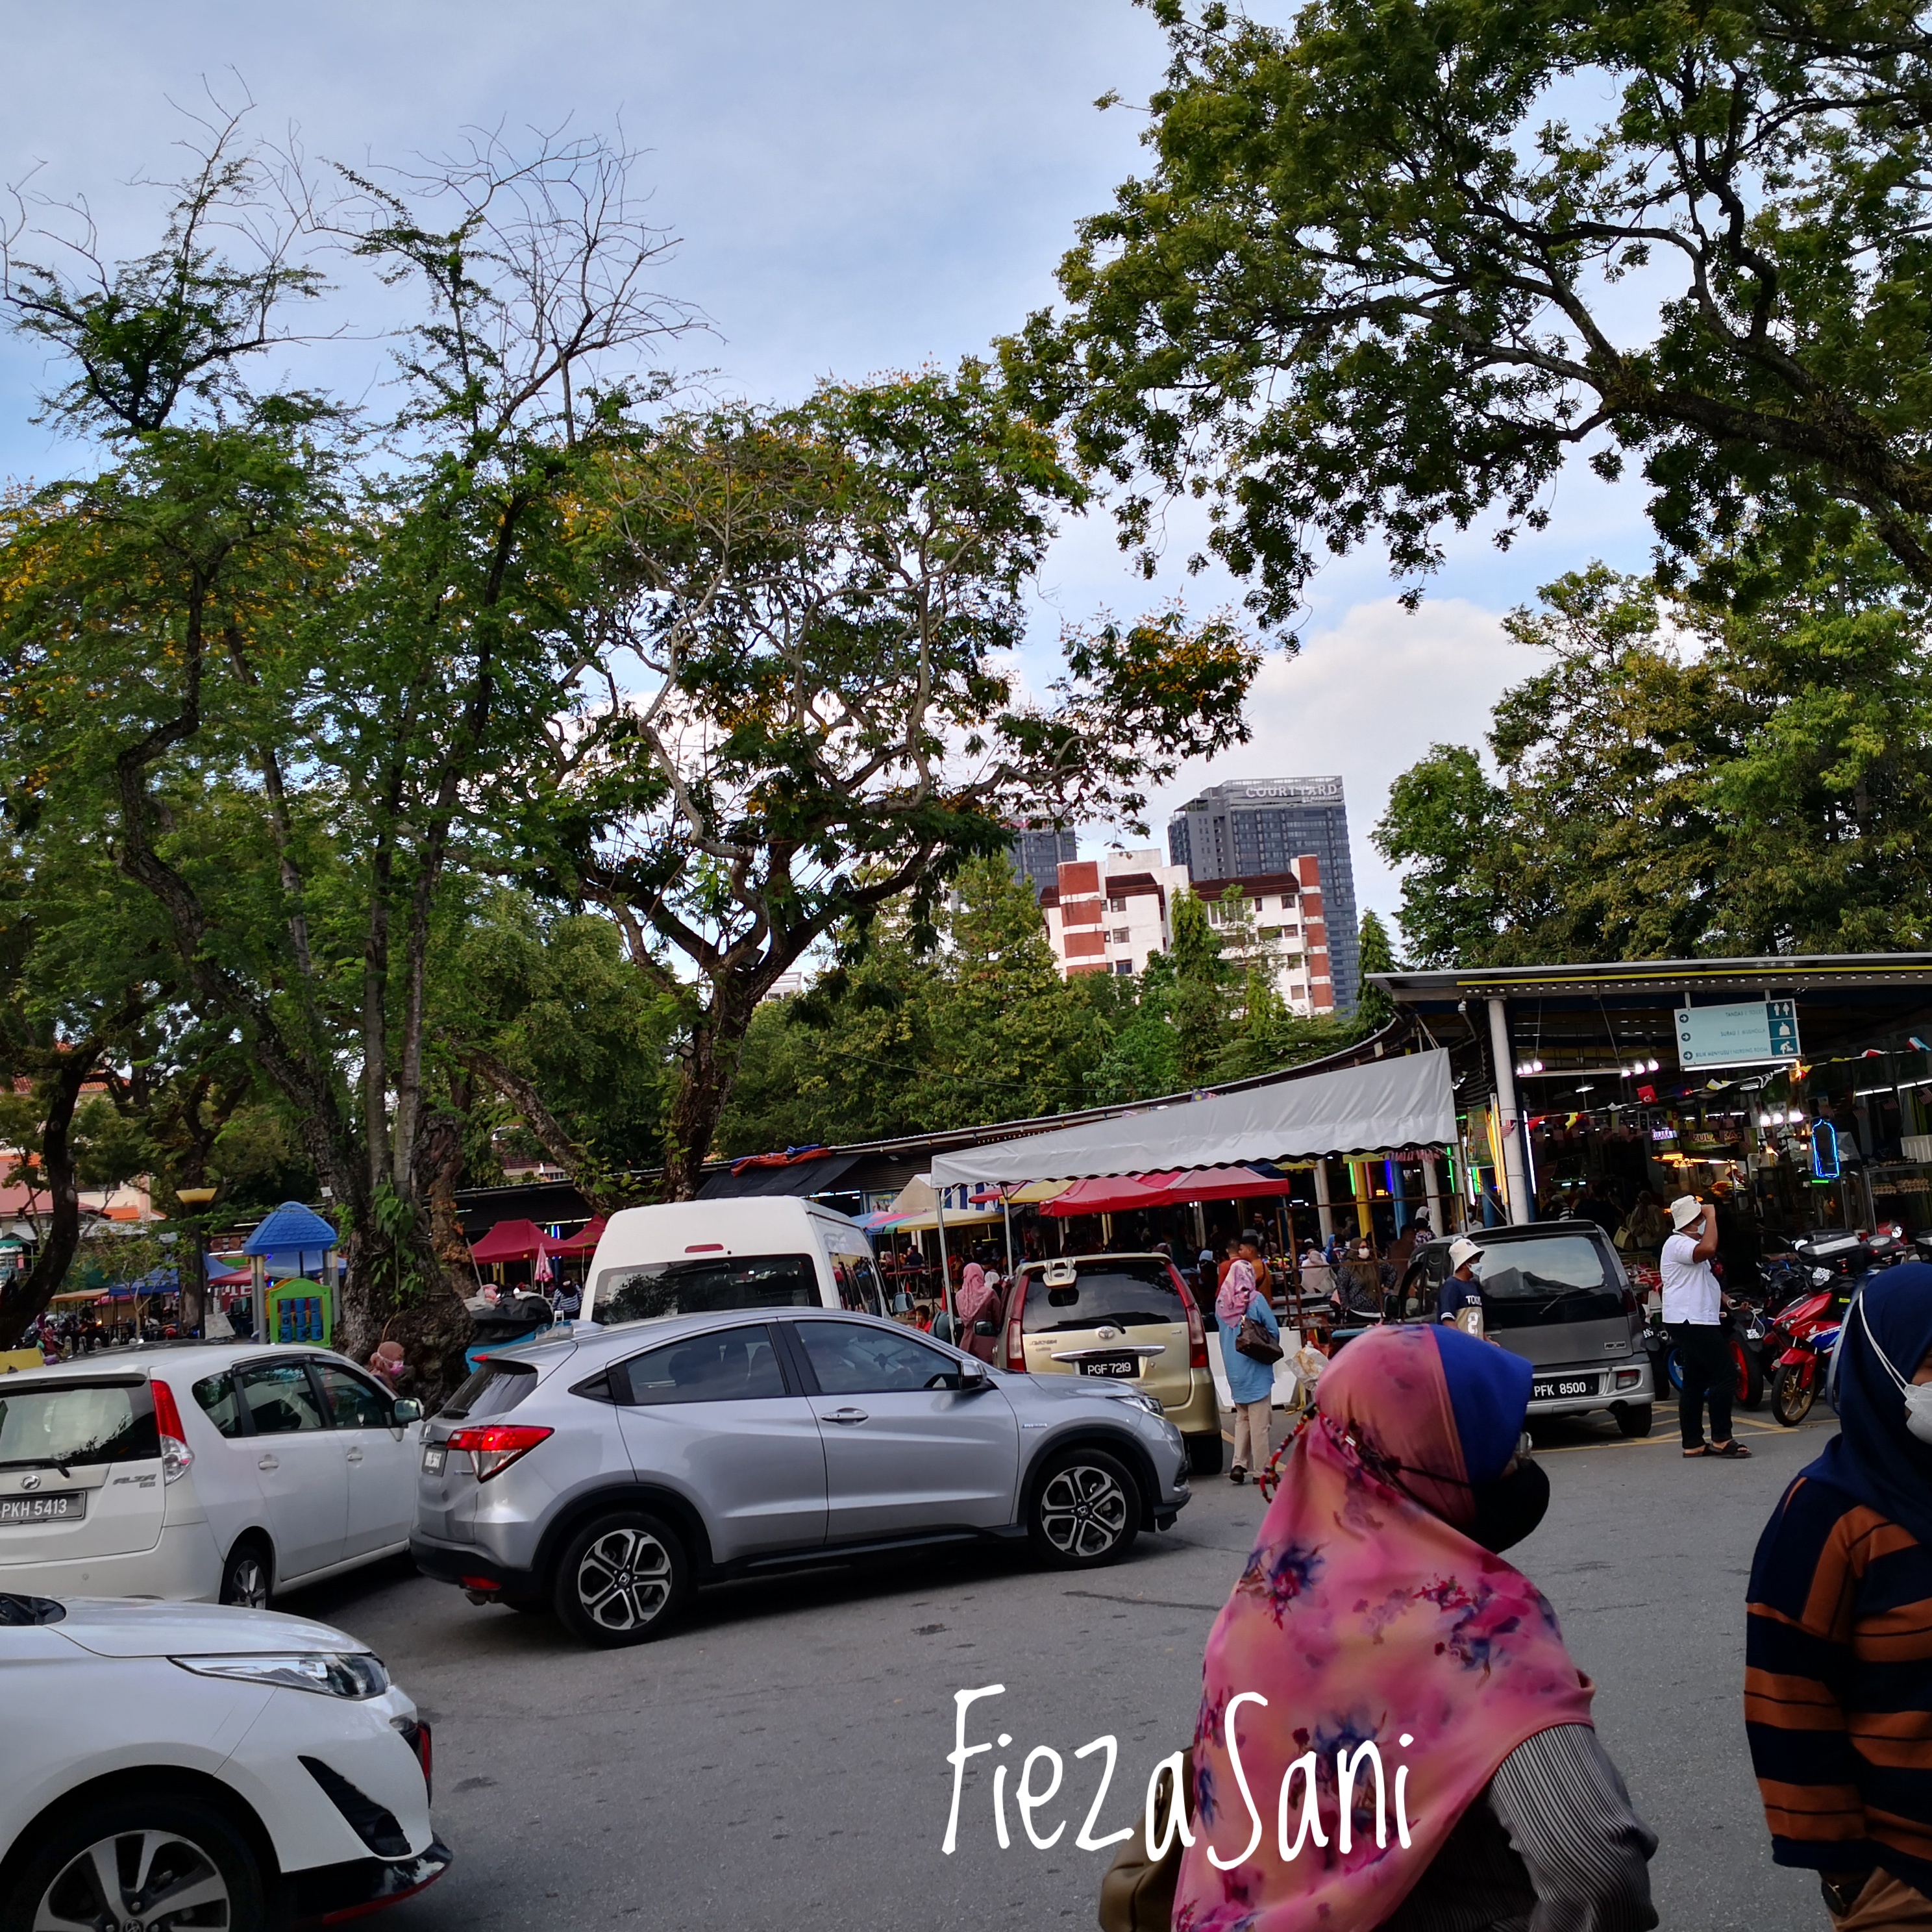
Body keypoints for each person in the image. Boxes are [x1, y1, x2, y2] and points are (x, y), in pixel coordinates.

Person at [1175, 1323, 1657, 1930]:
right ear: (1426, 1459)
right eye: (1504, 1448)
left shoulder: (1257, 1609)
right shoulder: (1472, 1629)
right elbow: (1593, 1867)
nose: (1519, 1465)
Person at [1746, 1264, 1932, 1928]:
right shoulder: (1827, 1514)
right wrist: (1852, 1879)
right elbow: (1789, 1702)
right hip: (1910, 1875)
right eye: (1930, 1363)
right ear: (1882, 1371)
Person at [1662, 1193, 1750, 1459]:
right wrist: (1711, 1216)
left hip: (1695, 1319)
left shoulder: (1688, 1246)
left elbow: (1705, 1280)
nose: (1706, 1223)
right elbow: (1710, 1248)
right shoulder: (1678, 1244)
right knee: (1725, 1375)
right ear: (1693, 1221)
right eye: (1701, 1219)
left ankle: (1693, 1443)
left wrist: (1728, 1301)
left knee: (1695, 1382)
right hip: (1691, 1320)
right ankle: (1722, 1438)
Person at [1217, 1250, 1278, 1484]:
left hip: (1234, 1372)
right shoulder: (1254, 1300)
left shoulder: (1221, 1303)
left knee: (1242, 1417)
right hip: (1255, 1369)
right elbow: (1272, 1330)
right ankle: (1262, 1470)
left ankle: (1239, 1464)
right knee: (1260, 1423)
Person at [1439, 1234, 1486, 1329]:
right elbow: (1448, 1321)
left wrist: (1487, 1341)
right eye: (1476, 1260)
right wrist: (1462, 1342)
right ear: (1465, 1263)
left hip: (1475, 1343)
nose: (1479, 1264)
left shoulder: (1473, 1286)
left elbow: (1476, 1323)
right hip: (1463, 1343)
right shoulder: (1451, 1286)